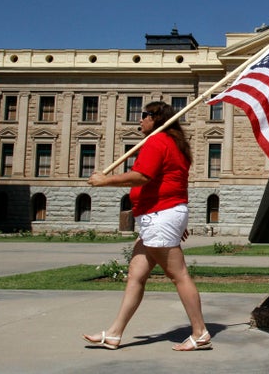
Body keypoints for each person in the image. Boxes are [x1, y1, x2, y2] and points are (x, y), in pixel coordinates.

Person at [82, 101, 210, 351]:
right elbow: (172, 182)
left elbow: (143, 176)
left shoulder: (157, 141)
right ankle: (115, 334)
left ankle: (200, 332)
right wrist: (176, 219)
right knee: (136, 275)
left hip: (160, 215)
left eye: (144, 116)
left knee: (179, 275)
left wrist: (105, 180)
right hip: (161, 216)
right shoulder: (174, 144)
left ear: (156, 118)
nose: (139, 120)